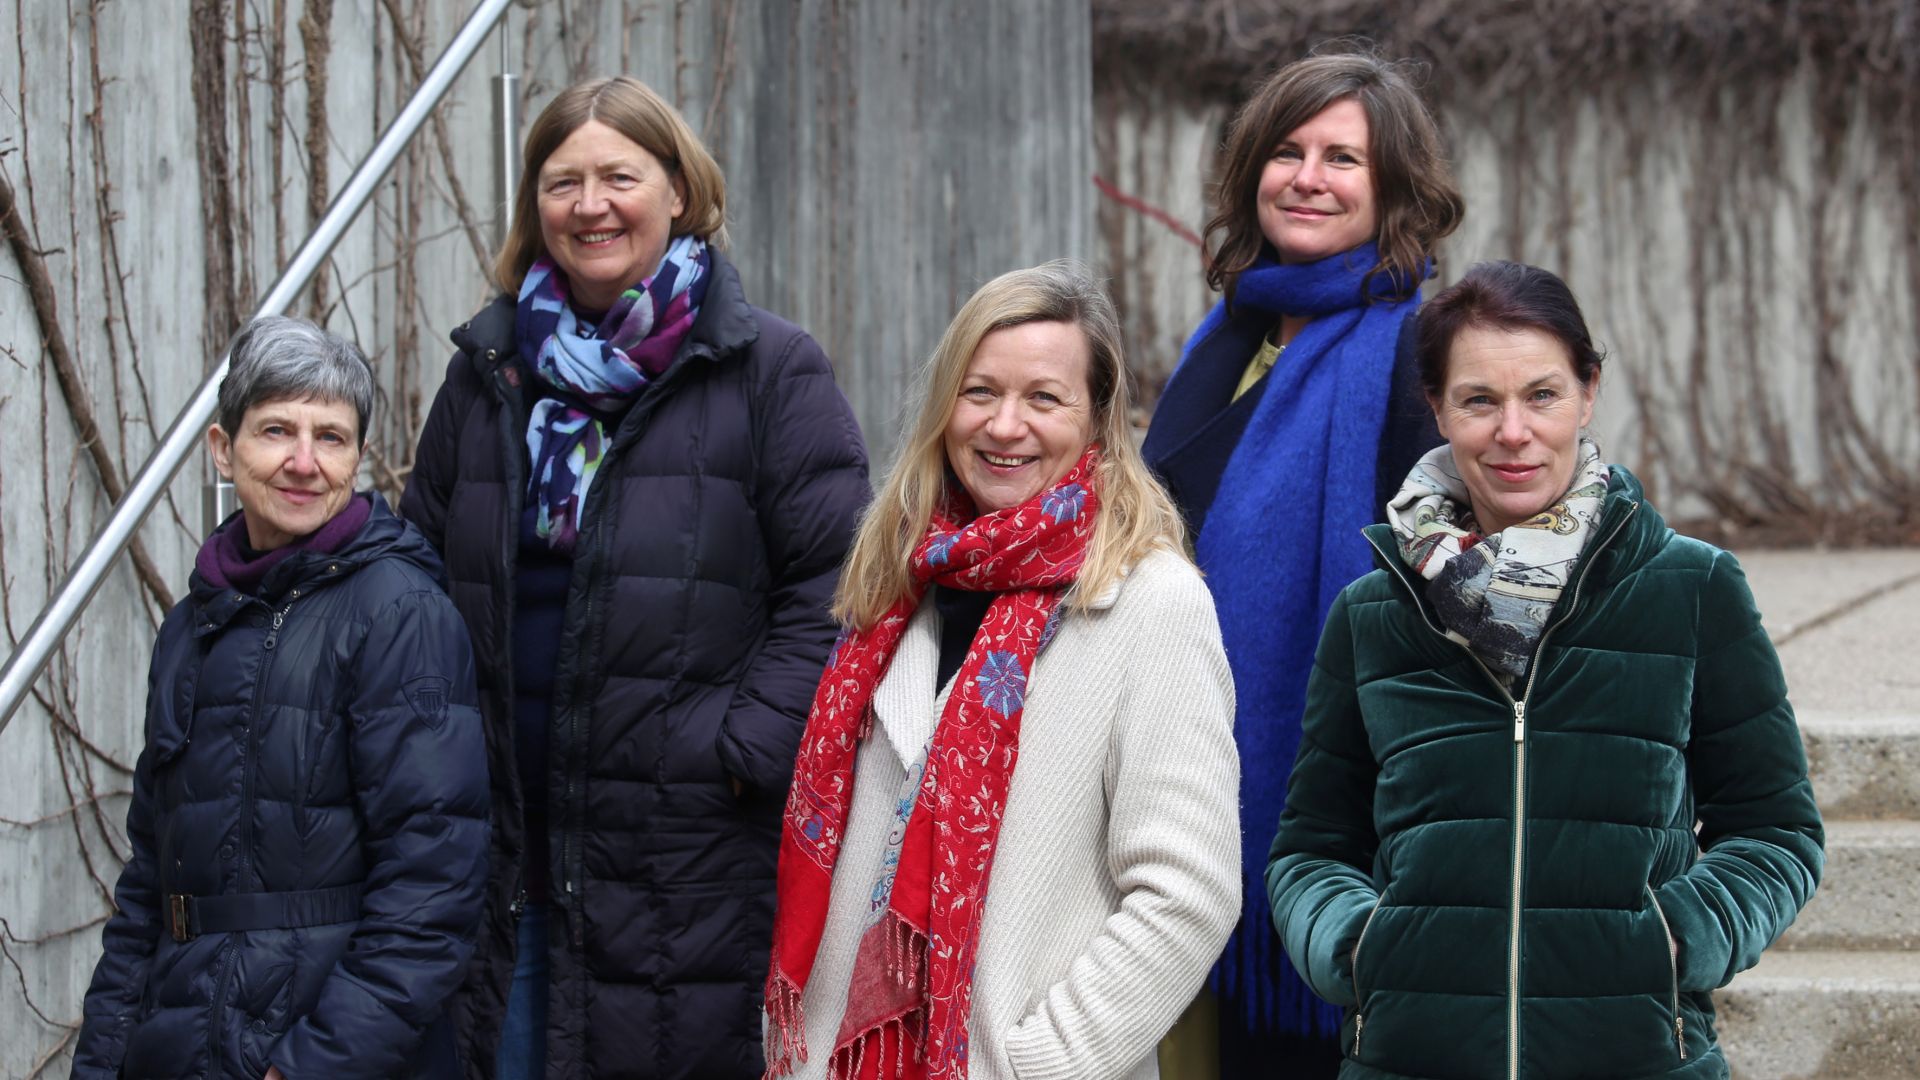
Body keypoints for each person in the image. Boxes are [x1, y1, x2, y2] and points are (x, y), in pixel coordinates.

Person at [400, 75, 869, 1078]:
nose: (589, 203)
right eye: (562, 181)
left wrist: (738, 751)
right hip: (505, 854)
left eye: (620, 175)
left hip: (682, 864)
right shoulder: (488, 373)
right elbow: (419, 567)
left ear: (679, 194)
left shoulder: (766, 370)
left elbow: (835, 587)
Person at [1267, 261, 1825, 1078]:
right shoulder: (1373, 613)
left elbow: (1779, 832)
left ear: (1588, 392)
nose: (1513, 431)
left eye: (1542, 394)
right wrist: (1361, 949)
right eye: (1479, 400)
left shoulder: (1694, 589)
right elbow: (1311, 849)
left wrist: (1675, 942)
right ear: (1438, 407)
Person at [760, 262, 1240, 1080]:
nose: (1005, 425)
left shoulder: (1153, 603)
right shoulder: (898, 582)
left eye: (1044, 399)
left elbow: (1186, 894)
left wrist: (1038, 1066)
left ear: (1096, 422)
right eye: (980, 392)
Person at [1138, 46, 1466, 1072]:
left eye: (1343, 158)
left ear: (1395, 189)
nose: (1308, 177)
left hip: (1322, 819)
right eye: (1287, 150)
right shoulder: (1226, 339)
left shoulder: (1418, 357)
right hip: (1178, 793)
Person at [72, 316, 489, 1080]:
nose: (304, 463)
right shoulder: (190, 626)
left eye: (330, 437)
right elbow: (146, 886)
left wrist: (305, 1068)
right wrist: (99, 1063)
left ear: (359, 459)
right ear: (224, 450)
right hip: (182, 1043)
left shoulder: (399, 612)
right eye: (276, 431)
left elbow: (432, 890)